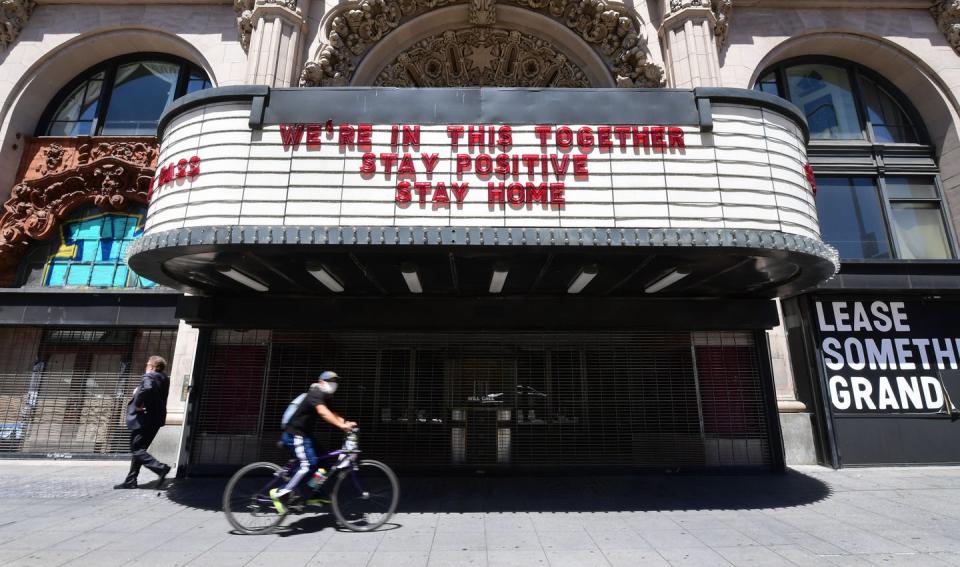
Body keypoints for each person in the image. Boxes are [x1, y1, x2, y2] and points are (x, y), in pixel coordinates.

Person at [270, 371, 356, 513]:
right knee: (308, 464)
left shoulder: (326, 396)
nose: (334, 383)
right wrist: (342, 426)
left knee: (324, 465)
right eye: (331, 380)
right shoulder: (315, 392)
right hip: (295, 435)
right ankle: (280, 493)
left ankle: (311, 491)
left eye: (336, 381)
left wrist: (346, 423)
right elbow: (323, 412)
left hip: (306, 437)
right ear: (321, 381)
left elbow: (332, 414)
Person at [114, 356, 172, 489]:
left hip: (144, 419)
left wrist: (138, 404)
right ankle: (131, 480)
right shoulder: (164, 378)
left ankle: (160, 468)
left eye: (147, 365)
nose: (146, 367)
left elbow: (147, 389)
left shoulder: (150, 377)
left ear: (152, 367)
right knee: (139, 449)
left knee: (136, 449)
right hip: (156, 419)